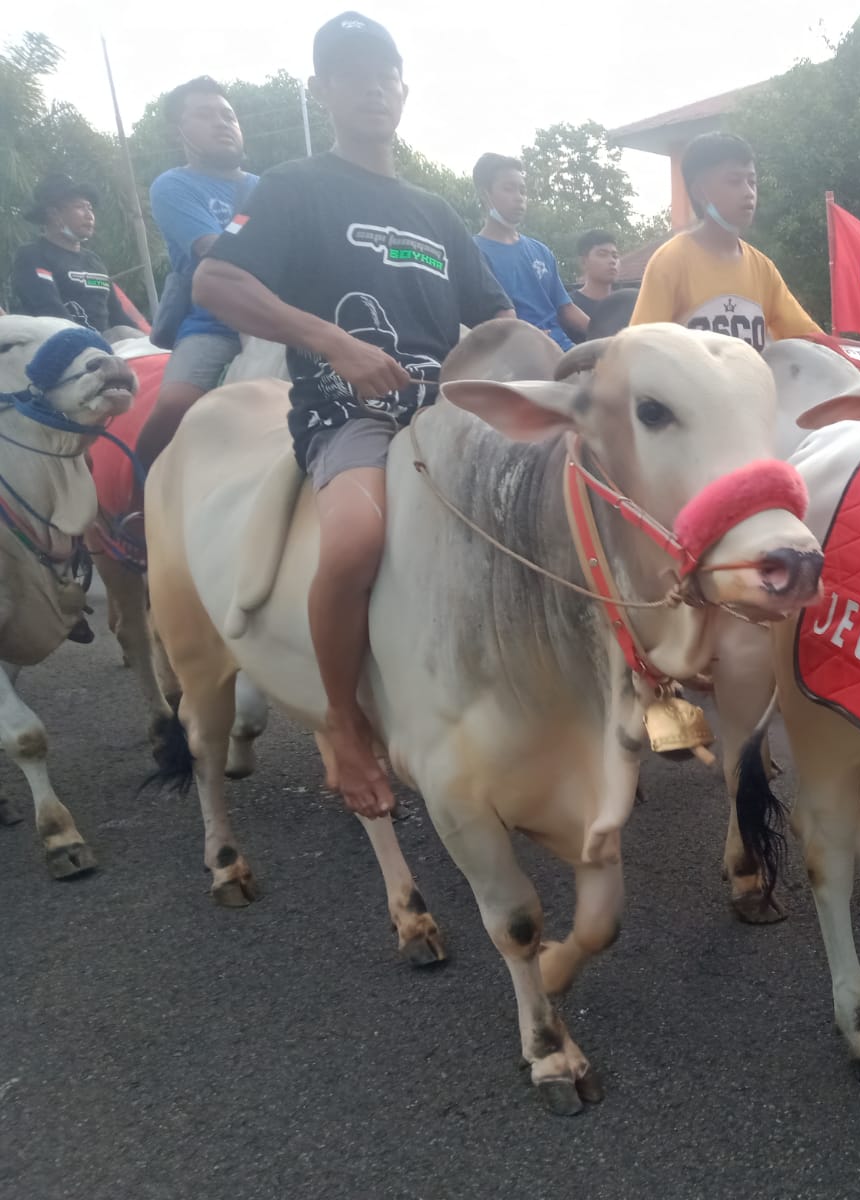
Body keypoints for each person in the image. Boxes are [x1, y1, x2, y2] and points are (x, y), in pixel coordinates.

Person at [193, 11, 511, 818]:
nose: (373, 85)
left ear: (404, 88)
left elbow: (499, 320)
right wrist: (332, 342)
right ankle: (344, 724)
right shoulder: (293, 189)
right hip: (349, 416)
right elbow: (216, 285)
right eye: (351, 72)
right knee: (356, 541)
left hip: (448, 412)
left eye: (387, 71)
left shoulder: (437, 212)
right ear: (322, 90)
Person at [135, 77, 259, 466]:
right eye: (205, 115)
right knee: (175, 403)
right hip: (215, 321)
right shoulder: (173, 185)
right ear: (178, 132)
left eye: (228, 115)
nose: (222, 123)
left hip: (283, 316)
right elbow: (213, 248)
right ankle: (138, 499)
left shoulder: (269, 186)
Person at [630, 132, 821, 349]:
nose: (748, 192)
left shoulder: (763, 268)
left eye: (752, 182)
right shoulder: (671, 261)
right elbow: (638, 350)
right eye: (734, 181)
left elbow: (810, 339)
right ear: (700, 192)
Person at [471, 154, 587, 350]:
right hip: (512, 361)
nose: (519, 198)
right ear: (485, 194)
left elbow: (565, 308)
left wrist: (611, 336)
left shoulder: (540, 251)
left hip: (562, 351)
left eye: (523, 191)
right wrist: (522, 338)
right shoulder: (472, 253)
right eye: (509, 189)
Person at [8, 174, 137, 333]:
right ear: (53, 214)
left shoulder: (94, 261)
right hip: (60, 347)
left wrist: (143, 342)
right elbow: (50, 310)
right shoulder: (32, 255)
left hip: (109, 349)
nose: (89, 215)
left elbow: (118, 315)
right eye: (79, 207)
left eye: (90, 208)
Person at [570, 229, 620, 321]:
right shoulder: (569, 306)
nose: (612, 261)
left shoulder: (626, 303)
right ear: (583, 262)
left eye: (615, 256)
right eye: (602, 254)